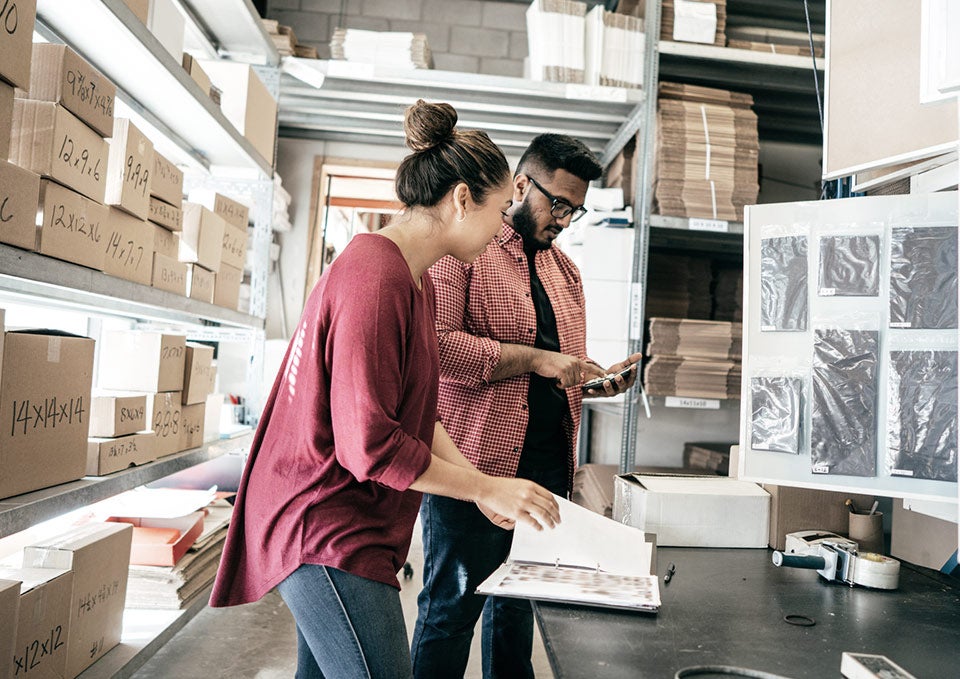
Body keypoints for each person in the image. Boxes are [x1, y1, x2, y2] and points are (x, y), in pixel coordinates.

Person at [209, 101, 562, 679]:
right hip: (323, 524)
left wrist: (485, 489)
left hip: (343, 520)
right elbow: (368, 446)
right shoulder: (375, 281)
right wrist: (481, 487)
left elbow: (418, 419)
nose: (504, 228)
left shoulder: (407, 278)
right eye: (500, 210)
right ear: (461, 199)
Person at [411, 133, 642, 679]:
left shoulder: (568, 274)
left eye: (575, 209)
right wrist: (537, 360)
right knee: (450, 613)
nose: (564, 219)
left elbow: (562, 370)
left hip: (544, 473)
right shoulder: (464, 251)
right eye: (557, 203)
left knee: (516, 614)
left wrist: (594, 381)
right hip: (473, 470)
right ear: (520, 185)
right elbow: (437, 347)